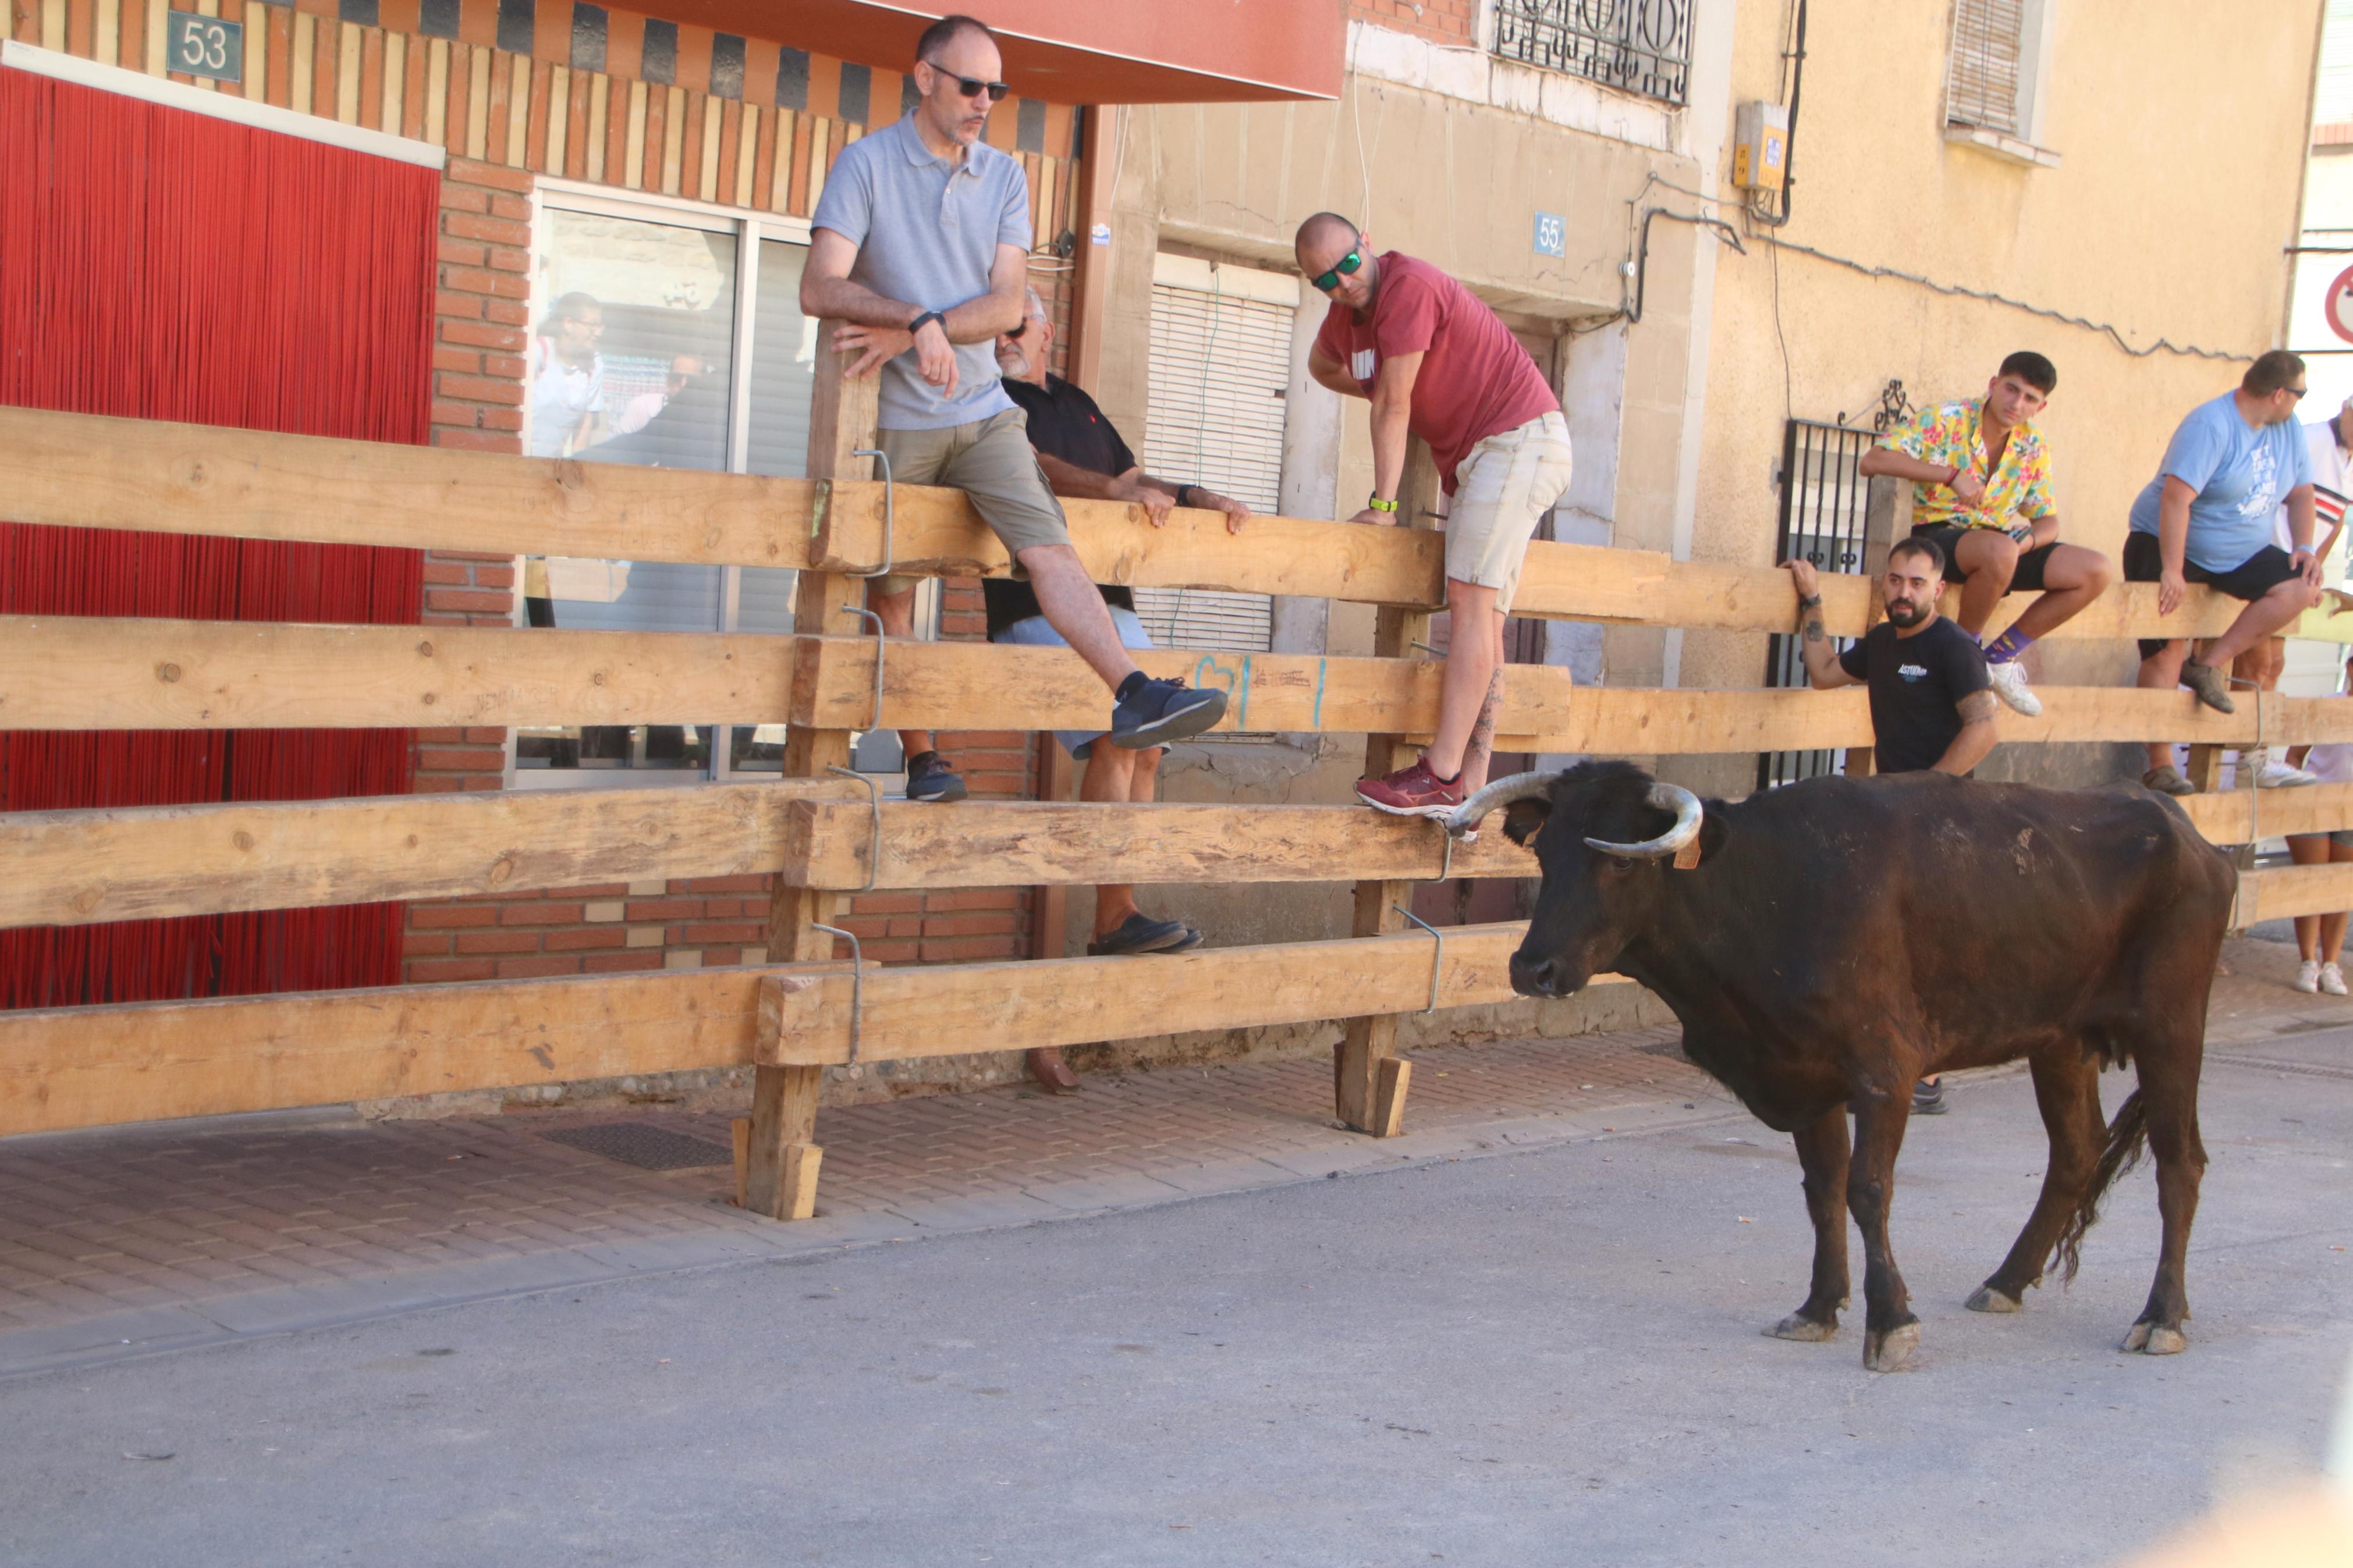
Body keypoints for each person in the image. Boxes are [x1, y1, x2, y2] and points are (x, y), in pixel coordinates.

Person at [800, 13, 1227, 809]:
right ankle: (922, 756)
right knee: (890, 595)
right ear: (924, 77)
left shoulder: (1003, 173)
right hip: (893, 422)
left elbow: (1005, 305)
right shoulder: (863, 165)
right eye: (970, 85)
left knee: (1051, 550)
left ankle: (1133, 689)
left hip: (984, 412)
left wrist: (917, 327)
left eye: (995, 88)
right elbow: (818, 286)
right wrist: (913, 322)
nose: (984, 101)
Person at [985, 294, 1252, 1087]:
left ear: (1045, 331)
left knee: (1149, 744)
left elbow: (1127, 474)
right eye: (994, 324)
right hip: (1035, 604)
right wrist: (1112, 495)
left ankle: (1117, 913)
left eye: (1014, 325)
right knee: (1116, 733)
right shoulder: (985, 397)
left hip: (1112, 604)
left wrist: (1194, 495)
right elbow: (1033, 470)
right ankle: (1113, 914)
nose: (1001, 337)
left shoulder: (1075, 401)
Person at [1295, 212, 1574, 819]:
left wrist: (1383, 505)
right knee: (1487, 614)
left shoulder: (1407, 286)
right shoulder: (1345, 322)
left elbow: (1394, 404)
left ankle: (1441, 773)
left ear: (1365, 242)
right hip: (1496, 454)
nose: (1342, 283)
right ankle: (1470, 786)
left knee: (1468, 602)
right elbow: (1319, 368)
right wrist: (1380, 381)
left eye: (1347, 263)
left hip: (1515, 439)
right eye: (1324, 280)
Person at [1785, 535, 1997, 1116]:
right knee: (1877, 939)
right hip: (1891, 818)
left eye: (1916, 582)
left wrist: (1927, 789)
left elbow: (1983, 729)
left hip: (1942, 821)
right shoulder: (1880, 642)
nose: (1904, 592)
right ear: (1884, 585)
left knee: (1926, 949)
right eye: (1895, 580)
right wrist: (1811, 602)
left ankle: (1923, 1076)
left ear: (1939, 589)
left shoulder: (1952, 647)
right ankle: (1879, 1061)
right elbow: (1825, 672)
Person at [1857, 351, 2113, 719]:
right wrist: (1948, 475)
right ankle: (1965, 659)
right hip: (1937, 539)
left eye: (2030, 399)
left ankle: (1999, 657)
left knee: (2095, 570)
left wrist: (2027, 542)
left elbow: (2048, 522)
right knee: (1999, 550)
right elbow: (1873, 461)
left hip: (1998, 549)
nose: (2017, 403)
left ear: (2041, 407)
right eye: (2012, 389)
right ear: (1994, 385)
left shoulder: (2033, 445)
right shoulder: (1946, 419)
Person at [2127, 350, 2324, 795]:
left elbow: (2302, 493)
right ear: (2278, 394)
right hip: (2166, 539)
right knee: (2164, 651)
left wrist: (2305, 547)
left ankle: (2208, 664)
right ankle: (2159, 766)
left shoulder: (2286, 426)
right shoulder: (2210, 424)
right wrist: (2172, 570)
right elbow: (2175, 499)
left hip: (2239, 549)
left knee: (2298, 588)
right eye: (2300, 394)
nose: (2300, 403)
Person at [527, 291, 606, 458]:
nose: (598, 333)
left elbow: (586, 423)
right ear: (568, 324)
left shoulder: (594, 364)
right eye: (592, 326)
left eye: (600, 327)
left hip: (550, 469)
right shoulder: (539, 351)